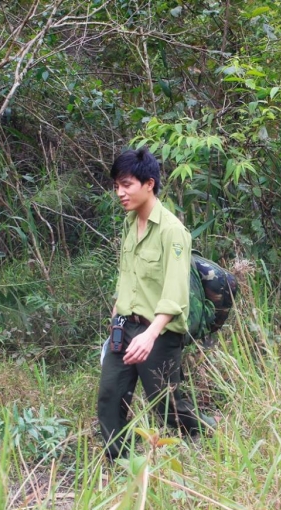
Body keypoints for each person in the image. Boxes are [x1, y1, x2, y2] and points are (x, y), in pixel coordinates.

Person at [96, 148, 203, 459]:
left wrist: (151, 334)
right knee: (110, 397)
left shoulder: (173, 232)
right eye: (116, 185)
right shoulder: (131, 223)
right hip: (124, 328)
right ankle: (122, 465)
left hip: (158, 334)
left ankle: (202, 439)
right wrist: (115, 318)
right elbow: (128, 277)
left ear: (149, 184)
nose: (120, 192)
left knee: (166, 405)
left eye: (126, 184)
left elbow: (175, 292)